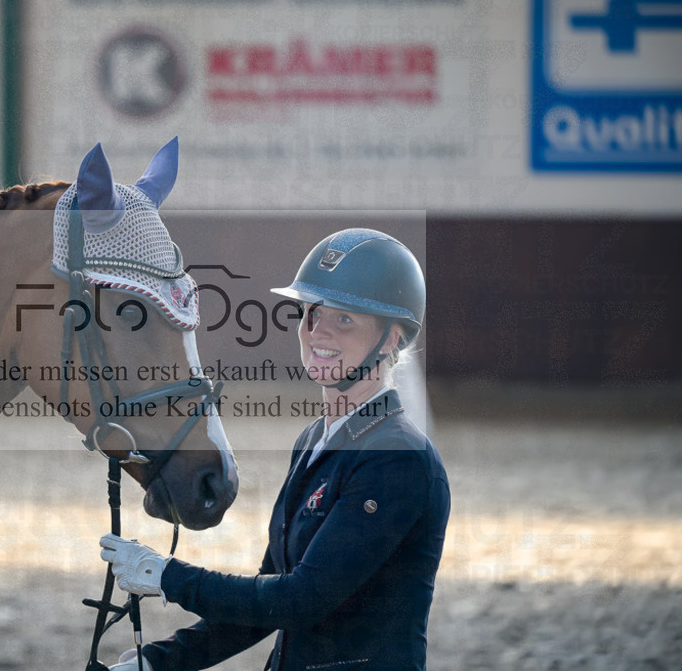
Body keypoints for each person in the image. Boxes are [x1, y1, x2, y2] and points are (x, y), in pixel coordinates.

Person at [99, 228, 451, 671]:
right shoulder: (313, 441)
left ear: (392, 338)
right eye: (312, 313)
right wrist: (159, 661)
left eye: (345, 320)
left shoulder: (397, 457)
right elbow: (268, 598)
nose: (318, 331)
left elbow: (302, 599)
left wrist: (167, 576)